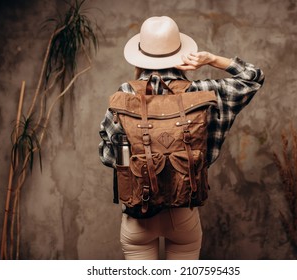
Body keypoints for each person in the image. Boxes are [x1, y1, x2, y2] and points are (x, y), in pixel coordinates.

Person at [99, 16, 264, 260]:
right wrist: (211, 59)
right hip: (183, 212)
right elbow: (253, 78)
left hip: (138, 217)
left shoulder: (124, 96)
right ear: (181, 55)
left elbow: (107, 156)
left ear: (139, 56)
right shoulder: (203, 94)